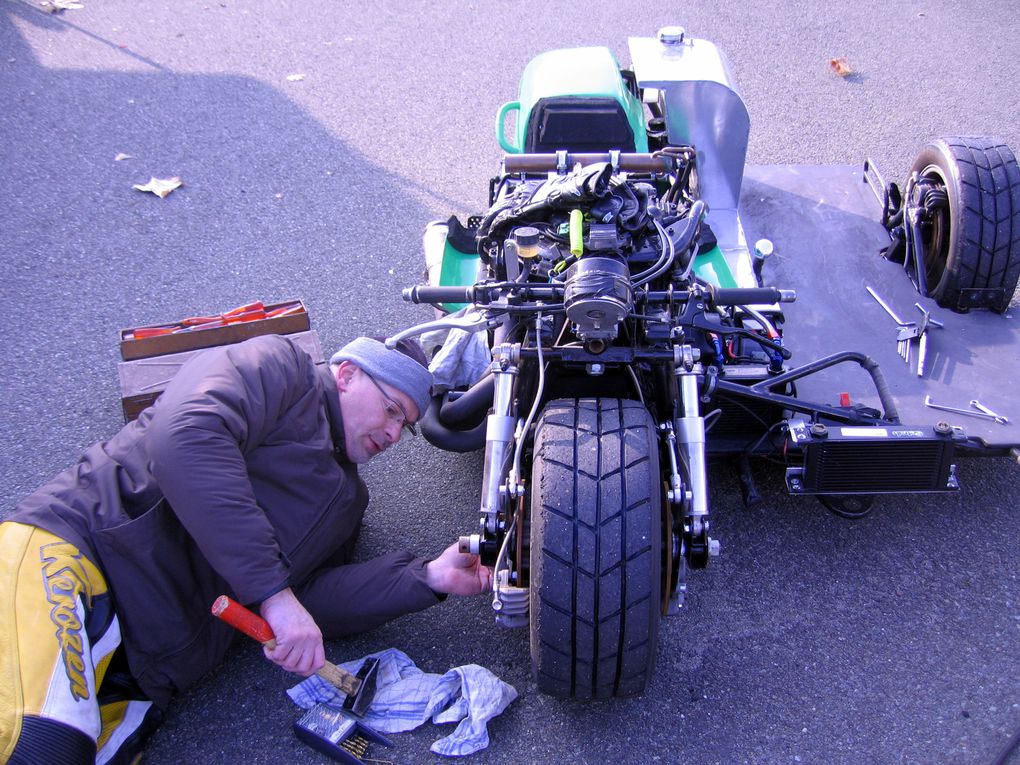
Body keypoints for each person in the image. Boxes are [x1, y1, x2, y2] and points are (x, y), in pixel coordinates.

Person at [0, 332, 491, 765]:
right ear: (346, 375)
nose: (392, 434)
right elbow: (185, 436)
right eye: (390, 409)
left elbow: (308, 603)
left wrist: (425, 578)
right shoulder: (280, 370)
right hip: (77, 556)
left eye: (403, 426)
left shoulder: (348, 499)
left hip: (147, 677)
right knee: (42, 747)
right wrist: (275, 595)